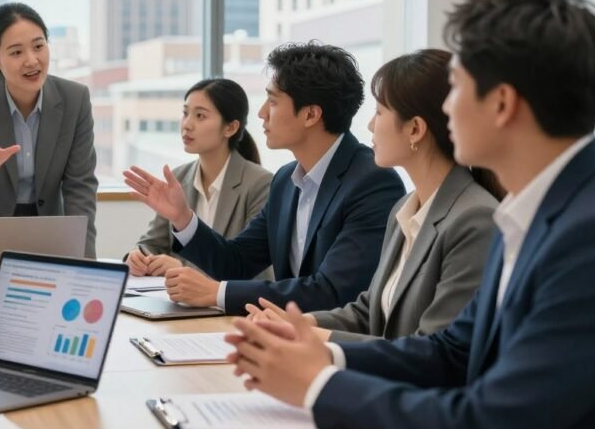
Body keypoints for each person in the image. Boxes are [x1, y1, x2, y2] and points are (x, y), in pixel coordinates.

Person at [226, 0, 595, 429]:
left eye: (458, 87)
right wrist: (325, 354)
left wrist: (318, 386)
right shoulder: (530, 213)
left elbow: (488, 428)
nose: (446, 106)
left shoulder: (585, 236)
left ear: (502, 104)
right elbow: (451, 351)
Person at [125, 42, 405, 315]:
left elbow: (332, 292)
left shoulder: (373, 182)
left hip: (333, 346)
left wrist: (215, 293)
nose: (261, 113)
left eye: (272, 101)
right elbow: (236, 263)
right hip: (285, 336)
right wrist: (183, 217)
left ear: (310, 114)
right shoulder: (286, 180)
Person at [247, 49, 501, 342]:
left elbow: (437, 351)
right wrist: (300, 324)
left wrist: (317, 340)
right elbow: (369, 313)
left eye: (379, 112)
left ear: (415, 129)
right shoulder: (404, 210)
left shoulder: (473, 219)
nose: (369, 125)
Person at [0, 2, 98, 270]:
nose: (32, 60)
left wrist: (85, 265)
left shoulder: (75, 99)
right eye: (16, 52)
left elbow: (80, 189)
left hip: (50, 239)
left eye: (39, 46)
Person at [126, 78, 273, 279]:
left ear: (230, 128)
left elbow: (250, 269)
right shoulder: (178, 178)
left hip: (230, 307)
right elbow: (153, 243)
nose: (187, 125)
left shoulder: (260, 183)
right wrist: (138, 256)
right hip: (176, 303)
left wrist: (180, 267)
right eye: (185, 113)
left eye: (200, 116)